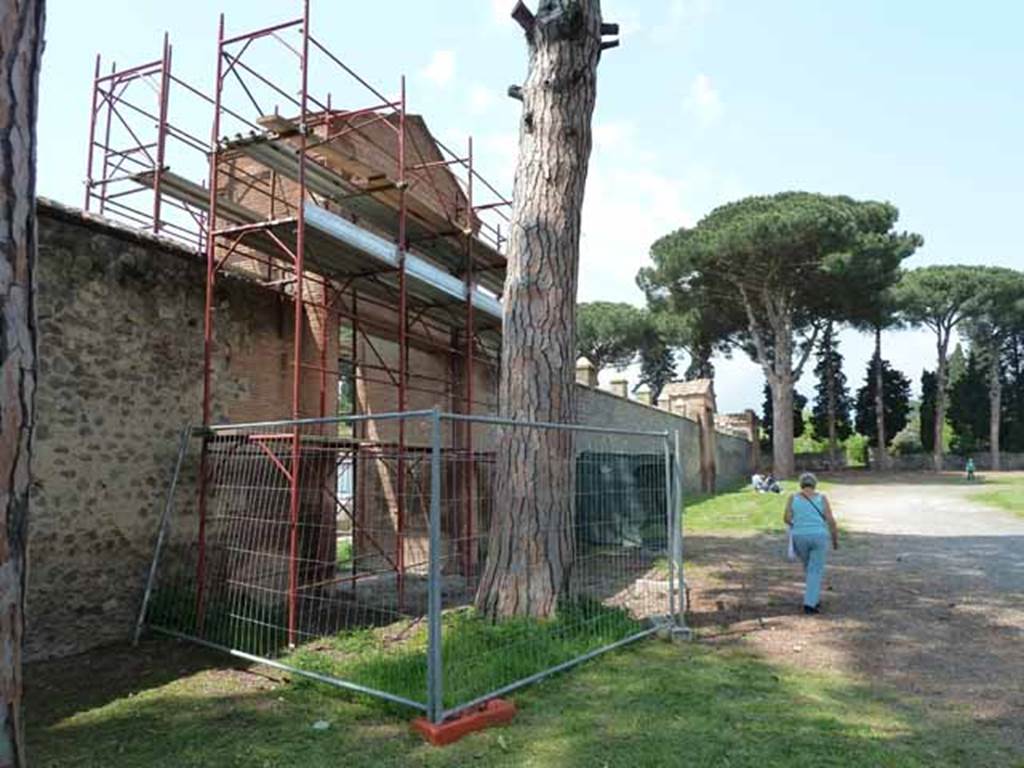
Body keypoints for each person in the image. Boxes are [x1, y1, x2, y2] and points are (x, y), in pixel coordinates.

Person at [784, 472, 839, 614]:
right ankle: (810, 603)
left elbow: (786, 518)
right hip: (818, 536)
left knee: (809, 568)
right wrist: (835, 540)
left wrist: (797, 524)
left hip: (799, 537)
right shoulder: (822, 498)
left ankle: (813, 597)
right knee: (814, 570)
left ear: (801, 484)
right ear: (815, 484)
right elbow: (831, 520)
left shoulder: (793, 498)